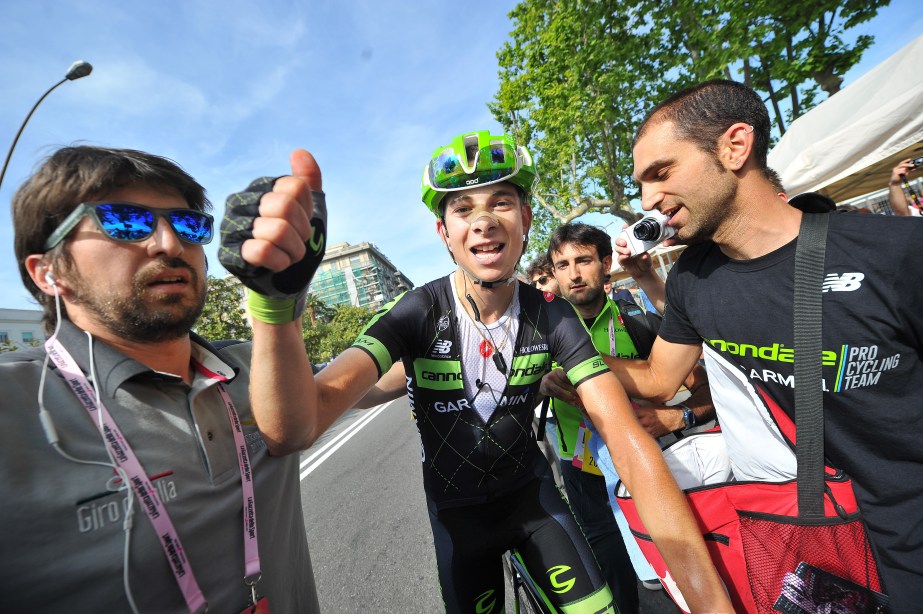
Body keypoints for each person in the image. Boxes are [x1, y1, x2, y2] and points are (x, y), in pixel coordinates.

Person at [218, 130, 733, 613]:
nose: (483, 220)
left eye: (500, 203)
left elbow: (625, 436)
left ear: (526, 219)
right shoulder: (418, 310)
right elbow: (293, 428)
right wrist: (274, 305)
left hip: (534, 503)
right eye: (463, 208)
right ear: (444, 232)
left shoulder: (551, 313)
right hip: (457, 517)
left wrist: (710, 602)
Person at [608, 79, 923, 612]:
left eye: (661, 173)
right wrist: (563, 345)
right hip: (819, 554)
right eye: (641, 184)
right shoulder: (691, 279)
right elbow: (661, 380)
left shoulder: (896, 253)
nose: (648, 201)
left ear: (735, 146)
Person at [0, 146, 322, 612]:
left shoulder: (255, 364)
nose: (169, 244)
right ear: (48, 272)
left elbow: (348, 387)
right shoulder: (14, 406)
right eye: (125, 221)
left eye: (189, 225)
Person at [542, 222, 715, 612]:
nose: (573, 273)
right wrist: (541, 384)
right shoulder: (539, 330)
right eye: (562, 264)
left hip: (649, 464)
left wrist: (677, 417)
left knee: (667, 578)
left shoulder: (636, 319)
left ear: (606, 264)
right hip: (580, 468)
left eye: (583, 260)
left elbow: (710, 389)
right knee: (610, 576)